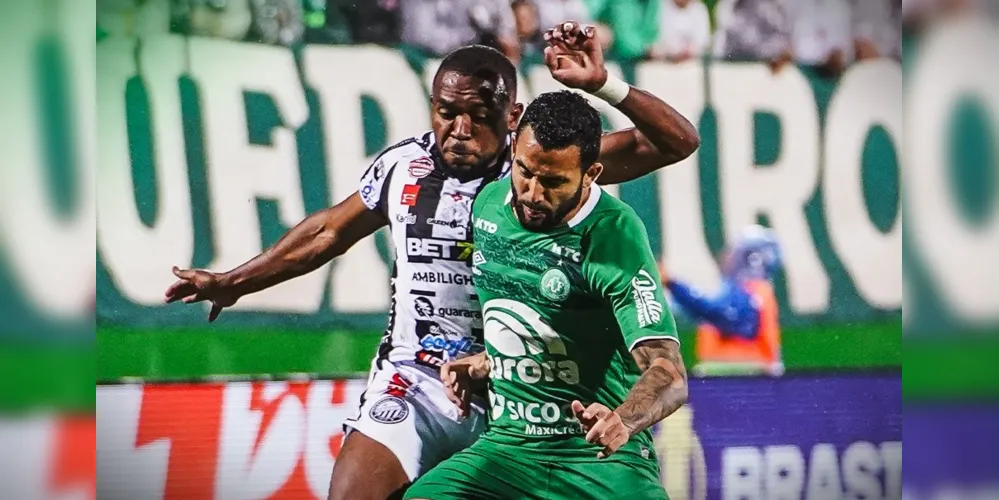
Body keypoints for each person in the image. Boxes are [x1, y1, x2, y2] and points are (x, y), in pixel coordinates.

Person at [163, 21, 699, 500]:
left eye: (478, 115)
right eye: (447, 113)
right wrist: (235, 282)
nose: (460, 130)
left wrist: (602, 86)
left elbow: (675, 143)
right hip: (416, 378)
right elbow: (327, 231)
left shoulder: (541, 163)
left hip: (522, 392)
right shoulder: (405, 167)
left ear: (511, 118)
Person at [405, 90, 687, 500]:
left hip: (598, 461)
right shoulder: (487, 206)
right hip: (508, 451)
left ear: (590, 173)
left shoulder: (612, 234)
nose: (533, 193)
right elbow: (544, 319)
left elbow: (668, 372)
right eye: (524, 171)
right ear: (515, 146)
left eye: (554, 181)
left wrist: (623, 420)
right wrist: (490, 361)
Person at [659, 224, 784, 377]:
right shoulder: (746, 290)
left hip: (745, 379)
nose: (727, 257)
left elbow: (720, 314)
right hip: (736, 376)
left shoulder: (752, 291)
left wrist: (673, 285)